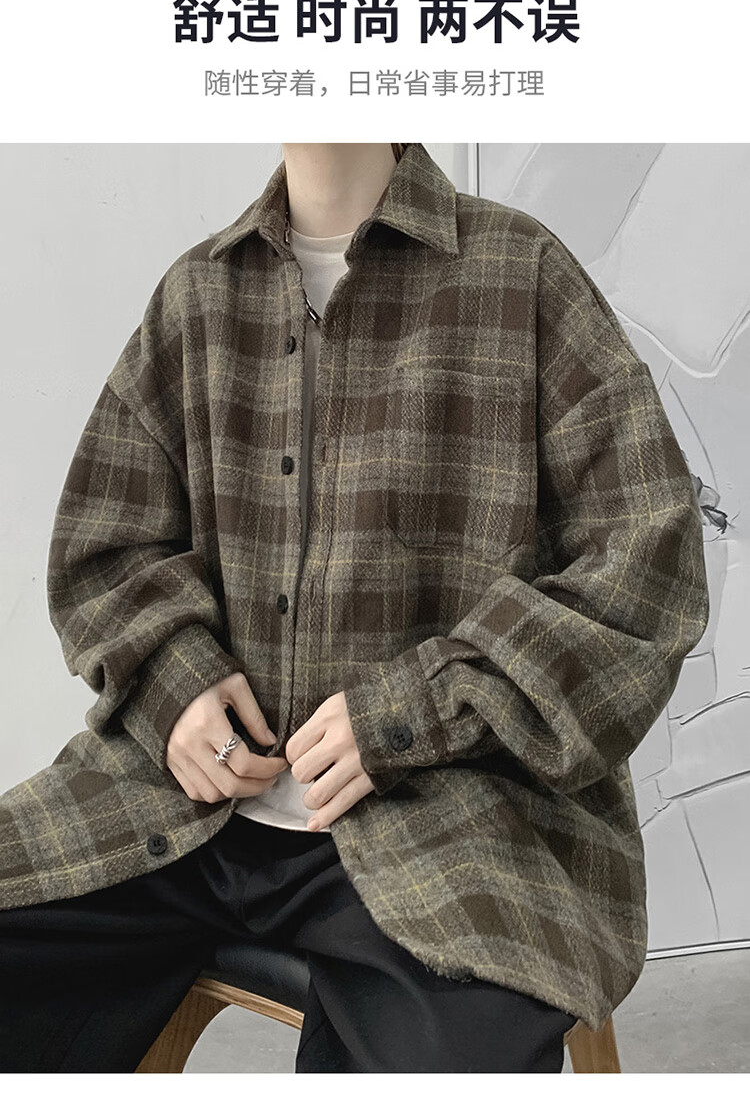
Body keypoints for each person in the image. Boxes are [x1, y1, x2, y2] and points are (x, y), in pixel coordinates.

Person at [0, 143, 710, 1073]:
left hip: (451, 828)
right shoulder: (197, 296)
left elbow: (648, 565)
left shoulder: (521, 272)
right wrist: (174, 682)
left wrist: (411, 713)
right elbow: (105, 543)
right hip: (178, 813)